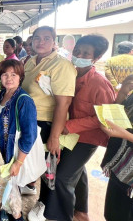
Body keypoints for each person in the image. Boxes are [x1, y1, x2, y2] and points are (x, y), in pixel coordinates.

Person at [41, 35, 115, 221]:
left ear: (95, 58)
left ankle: (62, 215)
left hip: (88, 138)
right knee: (77, 171)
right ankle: (81, 211)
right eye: (77, 51)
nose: (79, 55)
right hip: (69, 135)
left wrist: (70, 125)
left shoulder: (100, 84)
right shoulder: (71, 74)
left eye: (85, 53)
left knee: (63, 177)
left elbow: (105, 119)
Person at [23, 26, 76, 221]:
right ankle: (35, 195)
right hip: (30, 121)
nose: (41, 42)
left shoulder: (61, 65)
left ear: (55, 42)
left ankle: (44, 208)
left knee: (48, 168)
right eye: (37, 38)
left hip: (46, 123)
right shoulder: (30, 61)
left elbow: (64, 103)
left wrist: (54, 137)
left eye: (46, 38)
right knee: (34, 163)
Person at [0, 59, 38, 221]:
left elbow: (30, 135)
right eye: (5, 74)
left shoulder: (24, 100)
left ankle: (17, 216)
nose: (8, 78)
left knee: (12, 185)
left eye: (14, 74)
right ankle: (7, 212)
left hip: (13, 152)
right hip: (4, 147)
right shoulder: (3, 94)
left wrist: (18, 162)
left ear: (21, 77)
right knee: (7, 184)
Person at [100, 74, 133, 221]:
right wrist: (122, 92)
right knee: (112, 212)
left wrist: (125, 135)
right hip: (120, 163)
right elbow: (117, 113)